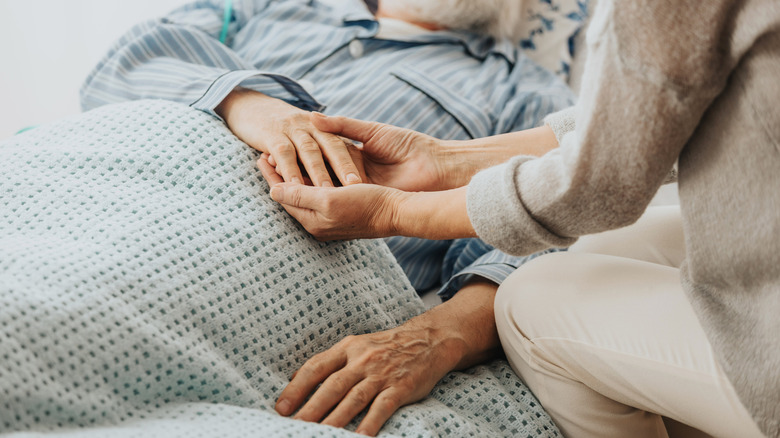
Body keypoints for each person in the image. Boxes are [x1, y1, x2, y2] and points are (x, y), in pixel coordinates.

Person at [261, 0, 780, 437]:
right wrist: (446, 159)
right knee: (603, 254)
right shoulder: (273, 10)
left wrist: (396, 211)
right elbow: (664, 121)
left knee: (529, 298)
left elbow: (603, 182)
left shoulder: (525, 88)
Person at [80, 0, 575, 435]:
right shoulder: (266, 5)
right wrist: (250, 104)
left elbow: (549, 227)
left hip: (263, 278)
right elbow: (130, 58)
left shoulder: (530, 95)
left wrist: (437, 337)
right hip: (107, 202)